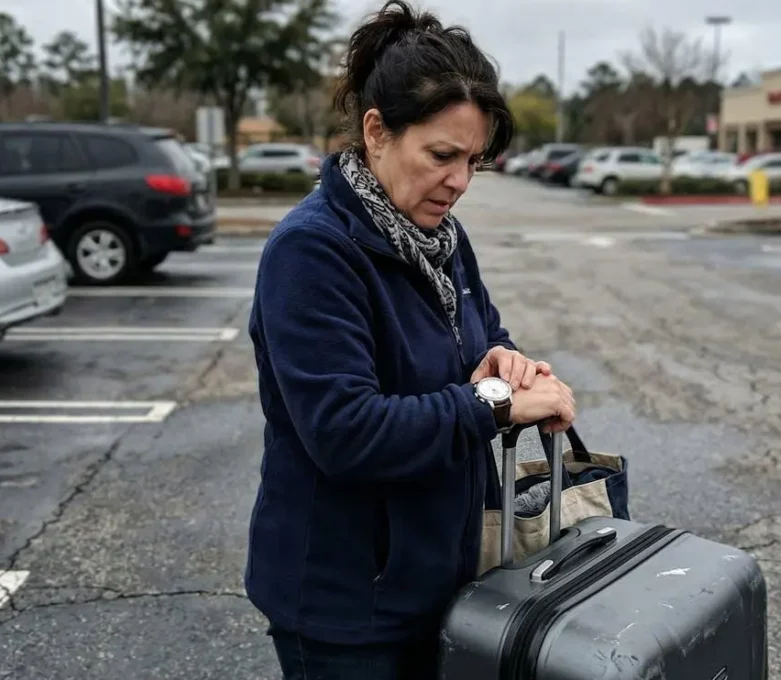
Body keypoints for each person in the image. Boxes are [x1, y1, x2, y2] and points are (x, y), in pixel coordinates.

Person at [244, 1, 577, 677]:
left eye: (474, 162)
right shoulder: (312, 252)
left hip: (441, 579)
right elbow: (345, 431)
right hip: (346, 603)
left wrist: (505, 364)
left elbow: (486, 335)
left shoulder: (442, 239)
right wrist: (498, 404)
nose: (458, 182)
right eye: (442, 155)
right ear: (377, 132)